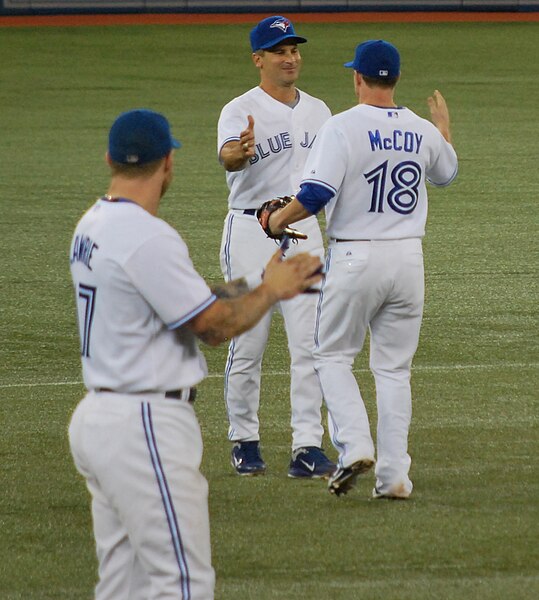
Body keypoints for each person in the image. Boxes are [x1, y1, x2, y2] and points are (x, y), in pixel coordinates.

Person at [68, 109, 322, 600]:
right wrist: (269, 294)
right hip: (143, 421)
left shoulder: (93, 224)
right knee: (183, 583)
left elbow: (188, 298)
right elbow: (211, 326)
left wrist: (253, 282)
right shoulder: (147, 236)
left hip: (101, 417)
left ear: (109, 159)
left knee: (124, 583)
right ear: (168, 162)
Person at [262, 40, 458, 499]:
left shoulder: (342, 126)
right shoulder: (422, 129)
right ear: (395, 80)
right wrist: (443, 131)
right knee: (393, 371)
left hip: (356, 257)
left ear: (358, 78)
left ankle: (353, 445)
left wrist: (275, 220)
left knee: (331, 355)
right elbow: (447, 174)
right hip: (409, 260)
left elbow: (314, 196)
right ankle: (394, 478)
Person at [217, 15, 336, 478]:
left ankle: (307, 445)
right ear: (258, 59)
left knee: (311, 342)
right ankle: (244, 440)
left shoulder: (320, 111)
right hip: (250, 229)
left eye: (294, 50)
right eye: (280, 51)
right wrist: (239, 151)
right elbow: (226, 153)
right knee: (249, 339)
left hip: (305, 231)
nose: (290, 58)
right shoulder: (238, 108)